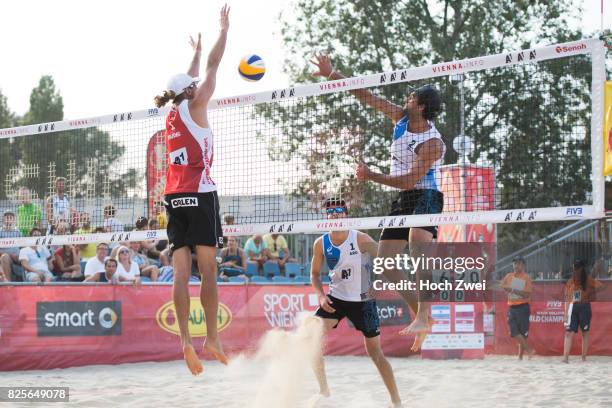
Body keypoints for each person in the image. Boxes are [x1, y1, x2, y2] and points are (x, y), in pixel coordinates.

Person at [311, 54, 445, 347]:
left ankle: (424, 314)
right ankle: (421, 315)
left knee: (418, 250)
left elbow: (411, 180)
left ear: (421, 106)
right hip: (404, 198)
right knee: (385, 264)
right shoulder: (401, 118)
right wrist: (332, 73)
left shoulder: (433, 143)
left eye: (411, 97)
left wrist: (370, 175)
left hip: (426, 196)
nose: (405, 98)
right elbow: (365, 94)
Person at [153, 4, 230, 376]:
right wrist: (223, 31)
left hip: (174, 196)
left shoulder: (170, 112)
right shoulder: (198, 103)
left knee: (181, 275)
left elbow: (193, 74)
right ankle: (212, 338)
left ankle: (184, 340)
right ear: (189, 90)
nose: (198, 84)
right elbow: (214, 67)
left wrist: (194, 54)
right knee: (210, 273)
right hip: (200, 193)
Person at [310, 198, 401, 407]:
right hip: (336, 299)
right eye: (331, 211)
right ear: (326, 216)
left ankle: (396, 401)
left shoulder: (360, 238)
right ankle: (324, 391)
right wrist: (321, 295)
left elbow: (386, 261)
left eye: (339, 210)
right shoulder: (320, 243)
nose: (335, 214)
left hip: (363, 301)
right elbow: (315, 274)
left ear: (346, 214)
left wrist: (377, 283)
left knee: (376, 354)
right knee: (311, 340)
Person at [562, 258, 605, 363]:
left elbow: (602, 286)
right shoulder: (570, 281)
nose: (575, 269)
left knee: (585, 333)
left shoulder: (588, 280)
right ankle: (565, 358)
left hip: (584, 307)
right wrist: (565, 313)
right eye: (574, 267)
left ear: (582, 268)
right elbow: (567, 298)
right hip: (573, 307)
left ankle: (583, 358)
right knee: (568, 333)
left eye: (577, 267)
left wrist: (589, 292)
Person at [500, 256, 535, 360]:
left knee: (523, 333)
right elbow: (502, 286)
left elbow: (527, 294)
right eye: (515, 263)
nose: (516, 266)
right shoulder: (508, 276)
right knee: (513, 332)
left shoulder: (526, 277)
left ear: (523, 265)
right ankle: (529, 350)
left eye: (519, 263)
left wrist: (513, 290)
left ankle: (520, 357)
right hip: (512, 307)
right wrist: (503, 287)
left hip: (523, 307)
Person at [0, 210, 22, 281]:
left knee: (27, 256)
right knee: (4, 257)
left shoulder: (18, 231)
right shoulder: (0, 232)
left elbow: (22, 246)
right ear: (3, 219)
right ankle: (8, 284)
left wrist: (21, 255)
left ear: (13, 220)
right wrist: (10, 255)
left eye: (10, 217)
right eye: (7, 217)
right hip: (6, 256)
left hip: (18, 257)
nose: (8, 219)